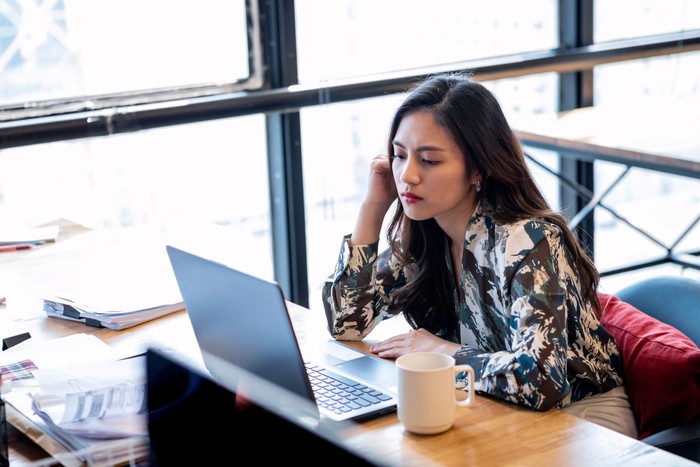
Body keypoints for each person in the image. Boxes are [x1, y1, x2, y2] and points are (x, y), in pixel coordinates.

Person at [321, 72, 638, 438]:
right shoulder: (427, 234)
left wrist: (443, 352)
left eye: (429, 161)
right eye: (399, 155)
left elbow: (541, 381)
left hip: (583, 418)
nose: (407, 175)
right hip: (489, 403)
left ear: (478, 168)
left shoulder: (527, 241)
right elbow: (347, 323)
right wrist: (373, 208)